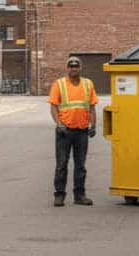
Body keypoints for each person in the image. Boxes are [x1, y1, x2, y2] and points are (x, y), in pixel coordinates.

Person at [48, 56, 98, 207]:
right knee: (62, 164)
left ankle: (80, 195)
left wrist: (93, 126)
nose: (73, 69)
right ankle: (59, 195)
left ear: (80, 68)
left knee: (80, 165)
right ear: (67, 68)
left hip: (82, 130)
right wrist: (59, 124)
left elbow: (92, 107)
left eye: (76, 66)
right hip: (65, 131)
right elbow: (53, 107)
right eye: (71, 66)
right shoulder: (59, 84)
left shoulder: (88, 84)